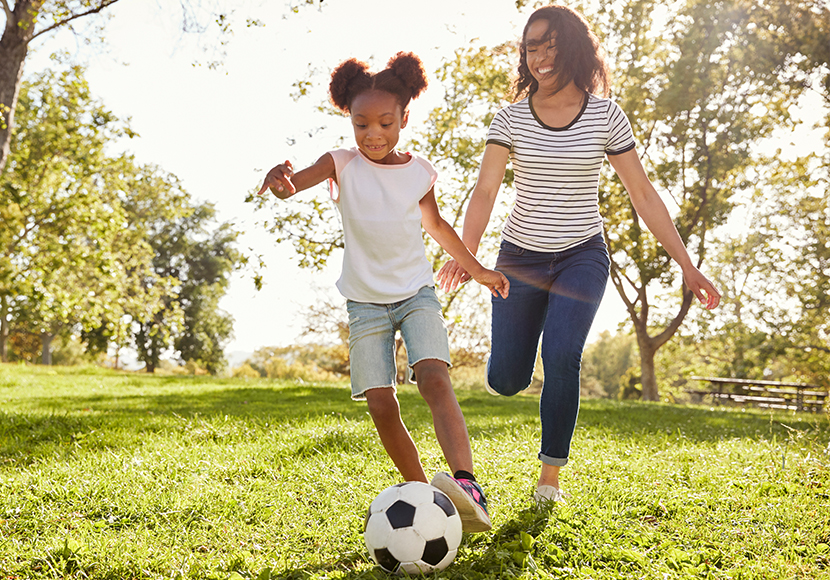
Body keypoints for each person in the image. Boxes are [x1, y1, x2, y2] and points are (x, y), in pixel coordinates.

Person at [437, 5, 721, 506]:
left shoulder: (606, 114)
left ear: (572, 47)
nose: (541, 57)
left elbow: (643, 193)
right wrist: (468, 253)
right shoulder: (509, 119)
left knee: (562, 355)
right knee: (505, 380)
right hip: (519, 259)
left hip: (581, 256)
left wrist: (686, 264)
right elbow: (484, 192)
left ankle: (550, 480)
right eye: (531, 46)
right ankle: (512, 358)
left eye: (550, 44)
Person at [257, 52, 509, 532]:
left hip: (416, 292)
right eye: (361, 123)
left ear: (404, 119)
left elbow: (436, 225)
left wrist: (476, 269)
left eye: (385, 123)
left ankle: (466, 484)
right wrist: (281, 182)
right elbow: (295, 186)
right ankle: (425, 497)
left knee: (434, 377)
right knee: (380, 403)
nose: (373, 134)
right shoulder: (341, 163)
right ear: (349, 121)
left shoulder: (419, 172)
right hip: (365, 302)